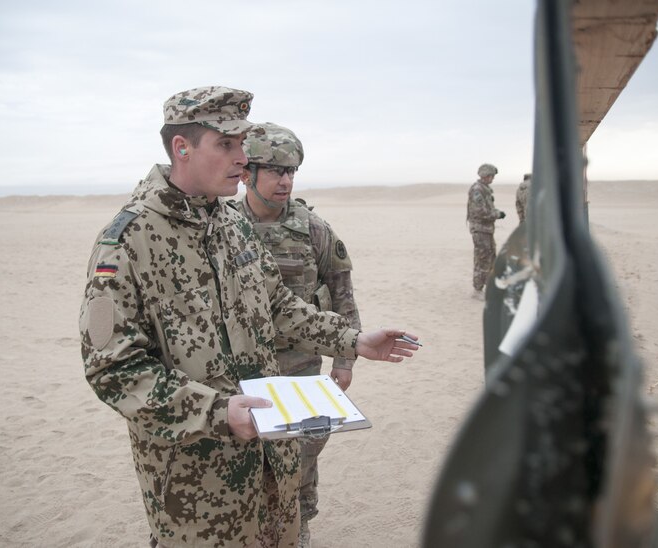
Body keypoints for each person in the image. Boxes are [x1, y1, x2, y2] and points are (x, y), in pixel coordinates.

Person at [78, 86, 420, 548]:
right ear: (182, 148)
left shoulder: (231, 223)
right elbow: (113, 368)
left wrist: (351, 340)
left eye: (243, 144)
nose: (242, 158)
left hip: (272, 467)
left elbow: (277, 305)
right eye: (226, 144)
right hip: (198, 488)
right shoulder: (128, 240)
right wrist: (217, 413)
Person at [235, 122, 360, 547]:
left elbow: (342, 296)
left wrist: (344, 361)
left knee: (302, 456)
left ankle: (298, 528)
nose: (285, 180)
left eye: (291, 171)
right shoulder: (223, 227)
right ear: (247, 172)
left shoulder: (314, 229)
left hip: (302, 368)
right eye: (274, 170)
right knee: (249, 459)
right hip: (243, 368)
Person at [466, 163, 505, 300]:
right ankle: (477, 290)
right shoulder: (477, 189)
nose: (492, 179)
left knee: (490, 257)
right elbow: (481, 211)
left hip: (486, 229)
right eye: (491, 176)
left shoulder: (485, 189)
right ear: (485, 175)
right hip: (480, 229)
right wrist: (497, 214)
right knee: (482, 259)